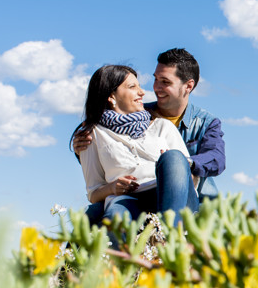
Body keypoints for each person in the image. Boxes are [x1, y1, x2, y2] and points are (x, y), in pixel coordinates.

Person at [72, 48, 226, 222]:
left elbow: (216, 159)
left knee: (173, 158)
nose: (153, 88)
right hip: (128, 199)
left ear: (188, 86)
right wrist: (81, 147)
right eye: (156, 79)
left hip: (186, 195)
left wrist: (177, 164)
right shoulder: (133, 113)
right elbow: (104, 150)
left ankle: (168, 235)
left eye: (165, 82)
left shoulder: (202, 122)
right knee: (100, 214)